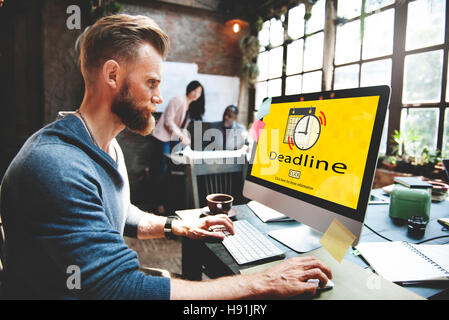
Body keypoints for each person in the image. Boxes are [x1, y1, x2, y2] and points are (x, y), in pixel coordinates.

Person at [0, 14, 332, 300]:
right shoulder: (57, 166)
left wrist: (180, 227)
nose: (159, 97)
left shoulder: (105, 146)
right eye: (152, 83)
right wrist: (262, 282)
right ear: (112, 76)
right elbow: (123, 288)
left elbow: (120, 213)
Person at [150, 80, 204, 214]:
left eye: (199, 92)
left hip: (173, 139)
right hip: (163, 137)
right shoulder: (178, 99)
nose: (197, 94)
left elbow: (182, 127)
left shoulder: (191, 106)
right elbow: (168, 121)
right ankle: (158, 203)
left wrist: (185, 138)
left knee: (172, 170)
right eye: (195, 91)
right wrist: (180, 136)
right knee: (161, 169)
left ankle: (169, 201)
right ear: (189, 89)